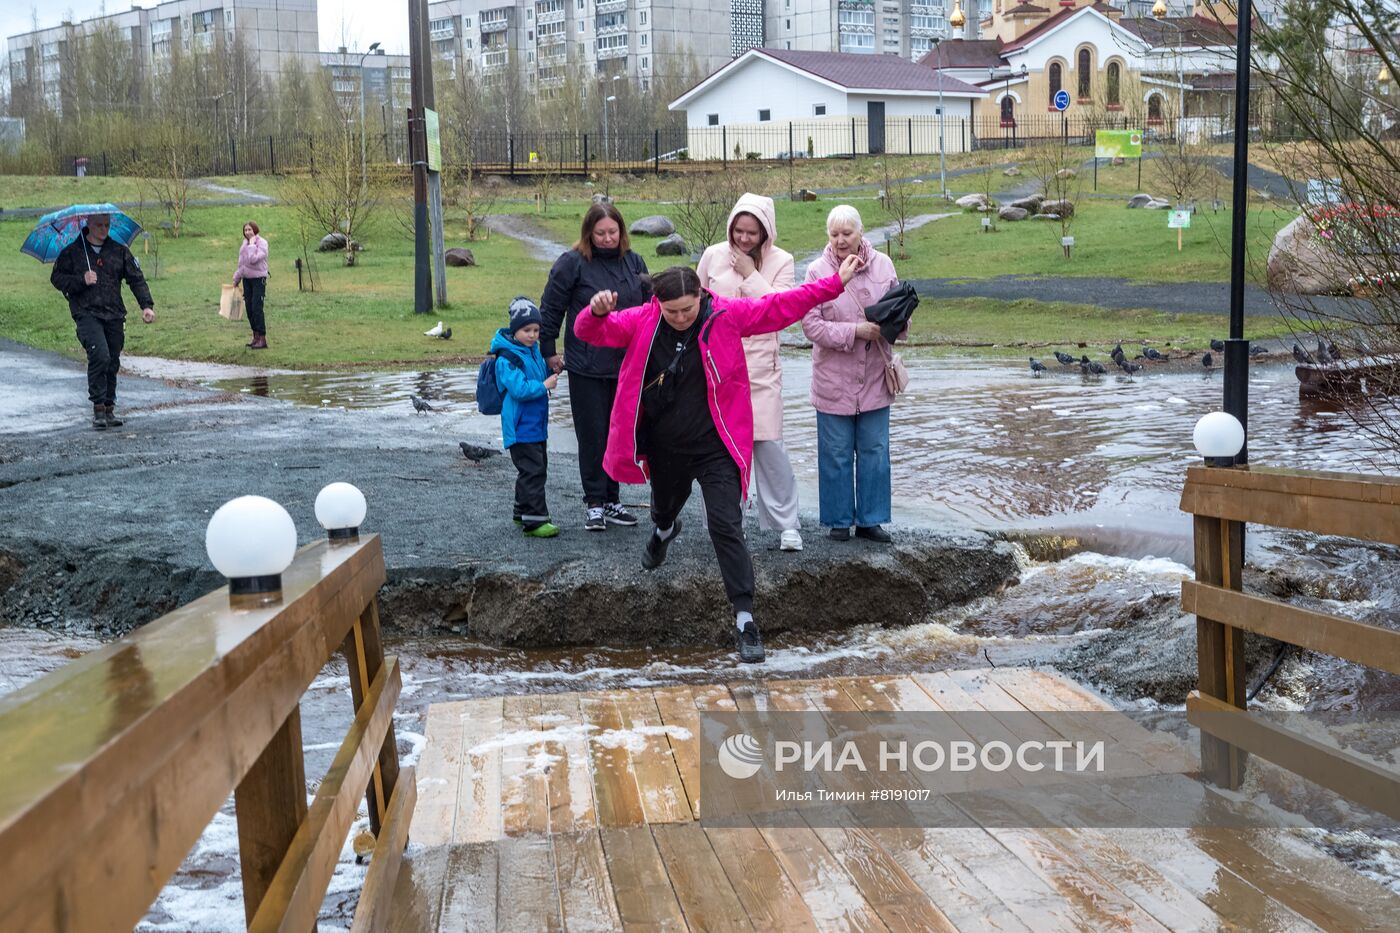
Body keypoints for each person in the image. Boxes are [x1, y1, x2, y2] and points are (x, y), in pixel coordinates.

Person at [576, 256, 864, 664]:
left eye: (687, 310)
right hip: (665, 447)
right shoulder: (643, 319)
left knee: (726, 525)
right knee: (664, 511)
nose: (679, 318)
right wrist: (595, 311)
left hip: (717, 446)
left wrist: (835, 283)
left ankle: (745, 618)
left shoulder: (727, 315)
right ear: (658, 303)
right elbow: (590, 332)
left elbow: (783, 306)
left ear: (701, 297)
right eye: (671, 311)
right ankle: (663, 531)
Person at [696, 193, 804, 553]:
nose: (744, 239)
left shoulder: (782, 260)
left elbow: (781, 309)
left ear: (765, 233)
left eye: (752, 233)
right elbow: (697, 303)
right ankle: (730, 521)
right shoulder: (712, 255)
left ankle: (786, 523)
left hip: (761, 369)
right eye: (739, 231)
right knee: (724, 450)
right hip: (719, 368)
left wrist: (751, 273)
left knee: (770, 445)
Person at [540, 203, 651, 532]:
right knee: (593, 436)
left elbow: (648, 310)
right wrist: (549, 351)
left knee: (620, 435)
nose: (607, 239)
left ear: (622, 232)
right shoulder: (572, 264)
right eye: (600, 233)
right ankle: (594, 503)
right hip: (587, 364)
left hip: (627, 367)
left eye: (612, 232)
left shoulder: (635, 263)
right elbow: (552, 308)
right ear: (589, 233)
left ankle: (613, 499)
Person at [802, 205, 901, 543]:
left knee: (875, 451)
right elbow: (811, 326)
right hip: (833, 379)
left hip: (874, 375)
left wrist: (897, 323)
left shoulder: (884, 265)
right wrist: (855, 331)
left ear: (861, 233)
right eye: (834, 234)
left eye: (847, 233)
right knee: (835, 453)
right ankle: (839, 520)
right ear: (827, 236)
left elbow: (900, 316)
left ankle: (872, 520)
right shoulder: (816, 271)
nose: (841, 240)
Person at [50, 213, 155, 431]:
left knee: (112, 359)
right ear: (88, 224)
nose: (103, 229)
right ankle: (98, 407)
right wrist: (81, 280)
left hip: (114, 313)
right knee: (100, 355)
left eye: (107, 225)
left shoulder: (119, 251)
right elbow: (57, 278)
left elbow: (136, 278)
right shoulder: (73, 252)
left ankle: (109, 406)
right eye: (99, 225)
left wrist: (146, 305)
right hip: (86, 313)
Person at [492, 297, 561, 538]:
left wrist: (551, 369)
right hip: (521, 428)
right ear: (514, 329)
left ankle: (521, 511)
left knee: (534, 468)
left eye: (536, 330)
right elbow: (520, 390)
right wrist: (544, 385)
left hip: (535, 426)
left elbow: (538, 375)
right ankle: (535, 521)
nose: (532, 335)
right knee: (533, 471)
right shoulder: (507, 359)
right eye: (526, 330)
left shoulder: (531, 351)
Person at [234, 221, 269, 349]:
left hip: (259, 279)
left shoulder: (262, 243)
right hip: (247, 280)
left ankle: (263, 339)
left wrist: (252, 244)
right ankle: (255, 337)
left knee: (256, 308)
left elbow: (253, 259)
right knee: (249, 309)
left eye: (249, 229)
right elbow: (242, 264)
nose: (247, 232)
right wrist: (236, 279)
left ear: (255, 230)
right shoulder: (244, 244)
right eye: (245, 230)